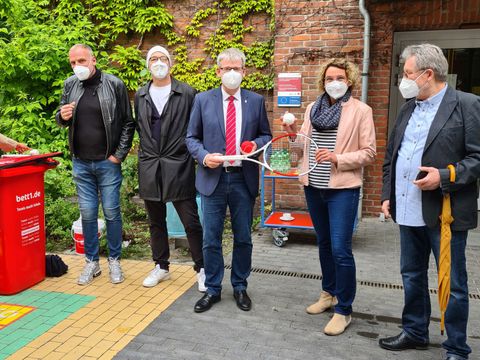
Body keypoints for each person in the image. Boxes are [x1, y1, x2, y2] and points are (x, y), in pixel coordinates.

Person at [380, 43, 480, 360]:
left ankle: (456, 347)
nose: (403, 79)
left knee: (453, 282)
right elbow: (391, 156)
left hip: (444, 213)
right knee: (411, 275)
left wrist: (445, 177)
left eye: (408, 73)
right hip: (407, 208)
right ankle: (415, 331)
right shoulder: (408, 108)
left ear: (427, 74)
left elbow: (478, 157)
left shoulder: (467, 104)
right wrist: (386, 195)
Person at [283, 58, 376, 335]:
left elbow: (369, 152)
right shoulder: (314, 108)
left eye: (339, 77)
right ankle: (328, 293)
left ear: (349, 80)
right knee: (323, 244)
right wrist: (291, 134)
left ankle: (344, 309)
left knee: (340, 249)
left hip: (343, 189)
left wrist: (337, 158)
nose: (333, 82)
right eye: (328, 78)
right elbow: (303, 145)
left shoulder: (361, 110)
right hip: (314, 186)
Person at [186, 48, 272, 313]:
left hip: (242, 180)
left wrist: (253, 144)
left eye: (237, 68)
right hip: (212, 178)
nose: (232, 73)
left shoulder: (255, 101)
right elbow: (191, 138)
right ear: (218, 72)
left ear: (244, 72)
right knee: (211, 238)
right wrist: (202, 157)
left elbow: (266, 135)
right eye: (227, 69)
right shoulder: (202, 100)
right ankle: (212, 289)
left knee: (243, 237)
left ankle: (240, 286)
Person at [56, 44, 135, 286]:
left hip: (107, 162)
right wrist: (62, 116)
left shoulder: (114, 84)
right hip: (81, 162)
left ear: (93, 60)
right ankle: (92, 262)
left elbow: (127, 123)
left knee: (111, 212)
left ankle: (114, 259)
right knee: (88, 215)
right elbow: (60, 116)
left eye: (81, 61)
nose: (77, 66)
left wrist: (118, 156)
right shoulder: (70, 85)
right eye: (73, 63)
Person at [134, 45, 205, 291]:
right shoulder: (140, 94)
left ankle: (202, 268)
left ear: (171, 63)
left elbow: (197, 127)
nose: (158, 62)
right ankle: (161, 266)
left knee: (191, 221)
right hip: (150, 165)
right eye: (153, 58)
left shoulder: (187, 93)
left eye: (163, 58)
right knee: (156, 221)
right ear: (148, 65)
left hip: (179, 163)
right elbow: (141, 129)